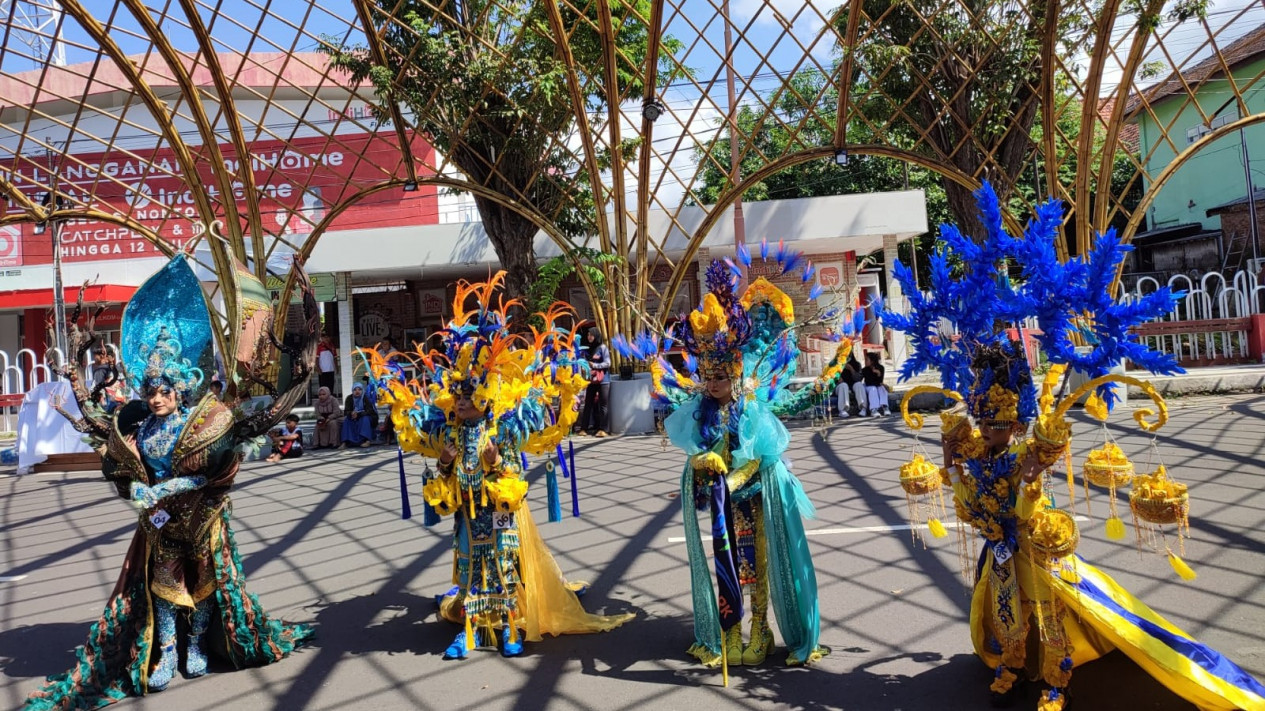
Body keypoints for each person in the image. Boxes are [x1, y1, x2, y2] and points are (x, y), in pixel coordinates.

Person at [882, 181, 1265, 711]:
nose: (987, 432)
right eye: (983, 424)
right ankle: (1013, 666)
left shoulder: (1020, 451)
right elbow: (967, 500)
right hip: (999, 550)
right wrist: (953, 468)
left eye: (996, 426)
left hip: (1035, 546)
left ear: (1013, 425)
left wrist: (1045, 441)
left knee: (1050, 613)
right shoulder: (976, 451)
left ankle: (1058, 681)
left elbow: (1036, 463)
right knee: (1007, 612)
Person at [32, 255, 314, 709]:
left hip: (202, 519)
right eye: (150, 391)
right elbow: (121, 467)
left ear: (181, 388)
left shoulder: (210, 421)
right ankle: (166, 651)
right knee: (163, 587)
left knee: (202, 582)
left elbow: (215, 471)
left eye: (165, 391)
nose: (157, 398)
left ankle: (198, 645)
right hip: (158, 525)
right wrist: (135, 492)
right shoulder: (137, 427)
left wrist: (171, 488)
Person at [365, 272, 632, 659]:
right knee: (472, 573)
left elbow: (514, 476)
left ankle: (509, 627)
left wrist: (496, 464)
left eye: (468, 399)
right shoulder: (451, 435)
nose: (460, 404)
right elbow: (439, 475)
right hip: (469, 518)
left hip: (500, 514)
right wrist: (443, 463)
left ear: (486, 400)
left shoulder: (501, 431)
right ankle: (470, 631)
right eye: (457, 398)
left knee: (504, 570)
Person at [623, 258, 850, 678]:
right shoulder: (701, 409)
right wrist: (701, 463)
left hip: (753, 500)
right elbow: (690, 440)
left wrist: (835, 367)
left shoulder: (750, 410)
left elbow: (754, 456)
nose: (712, 384)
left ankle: (760, 630)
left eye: (721, 377)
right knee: (726, 565)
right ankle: (729, 631)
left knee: (757, 566)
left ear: (736, 371)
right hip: (721, 503)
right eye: (708, 377)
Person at [577, 327, 611, 437]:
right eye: (588, 335)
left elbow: (608, 363)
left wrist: (595, 365)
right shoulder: (587, 349)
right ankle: (584, 428)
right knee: (588, 404)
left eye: (591, 335)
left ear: (596, 335)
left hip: (603, 380)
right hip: (591, 380)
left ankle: (603, 429)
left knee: (603, 405)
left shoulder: (602, 347)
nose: (589, 337)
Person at [340, 383, 375, 448]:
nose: (357, 391)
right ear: (352, 391)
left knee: (365, 419)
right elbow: (346, 411)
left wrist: (359, 414)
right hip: (353, 416)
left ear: (362, 390)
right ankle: (345, 442)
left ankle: (367, 440)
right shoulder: (349, 398)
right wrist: (351, 413)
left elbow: (370, 411)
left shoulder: (366, 397)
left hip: (365, 415)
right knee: (347, 421)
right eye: (355, 390)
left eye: (359, 389)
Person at [833, 350, 862, 418]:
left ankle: (863, 408)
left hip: (852, 386)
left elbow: (859, 379)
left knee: (859, 385)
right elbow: (831, 377)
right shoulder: (835, 365)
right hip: (840, 387)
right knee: (844, 385)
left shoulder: (857, 364)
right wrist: (837, 378)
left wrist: (851, 369)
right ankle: (842, 410)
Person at [860, 351, 889, 416]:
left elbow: (880, 381)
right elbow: (869, 382)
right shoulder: (864, 370)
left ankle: (885, 407)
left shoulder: (881, 368)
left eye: (867, 359)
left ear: (872, 361)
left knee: (882, 388)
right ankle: (874, 409)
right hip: (868, 386)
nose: (865, 361)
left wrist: (878, 374)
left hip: (877, 385)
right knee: (873, 389)